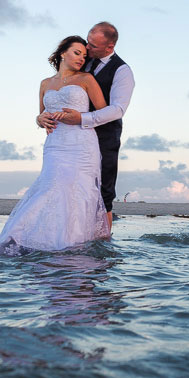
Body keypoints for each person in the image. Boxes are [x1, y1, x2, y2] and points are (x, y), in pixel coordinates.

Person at [0, 36, 111, 255]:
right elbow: (41, 115)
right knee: (50, 187)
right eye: (77, 53)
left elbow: (105, 113)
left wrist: (79, 116)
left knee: (76, 193)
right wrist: (38, 120)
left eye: (84, 56)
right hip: (55, 144)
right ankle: (27, 238)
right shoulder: (45, 84)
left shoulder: (86, 79)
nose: (81, 58)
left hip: (81, 143)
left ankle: (71, 246)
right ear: (62, 52)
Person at [37, 22, 134, 230]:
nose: (87, 50)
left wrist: (81, 119)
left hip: (104, 136)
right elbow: (56, 94)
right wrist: (41, 118)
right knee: (64, 189)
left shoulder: (122, 71)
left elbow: (117, 110)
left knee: (103, 193)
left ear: (109, 47)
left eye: (93, 46)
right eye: (87, 43)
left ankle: (104, 248)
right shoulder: (82, 60)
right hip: (66, 140)